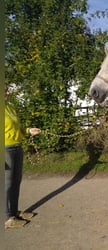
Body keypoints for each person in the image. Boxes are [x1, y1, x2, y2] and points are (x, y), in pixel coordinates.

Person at [5, 85, 41, 229]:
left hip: (17, 146)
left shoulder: (10, 107)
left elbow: (16, 128)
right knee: (6, 183)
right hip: (5, 149)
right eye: (4, 90)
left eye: (7, 90)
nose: (7, 92)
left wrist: (27, 130)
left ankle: (14, 212)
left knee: (16, 180)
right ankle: (7, 218)